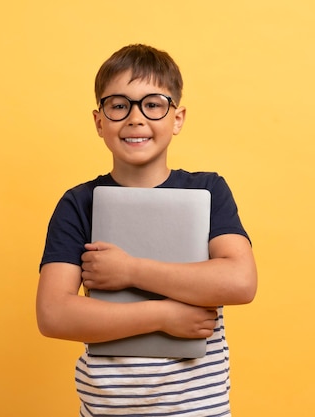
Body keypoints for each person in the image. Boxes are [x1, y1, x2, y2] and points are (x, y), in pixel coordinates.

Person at [36, 44, 258, 416]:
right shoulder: (78, 203)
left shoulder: (207, 190)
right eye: (119, 105)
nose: (136, 118)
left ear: (177, 118)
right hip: (106, 409)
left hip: (198, 410)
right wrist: (163, 316)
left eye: (153, 104)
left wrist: (131, 270)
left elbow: (240, 281)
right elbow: (53, 313)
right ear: (99, 121)